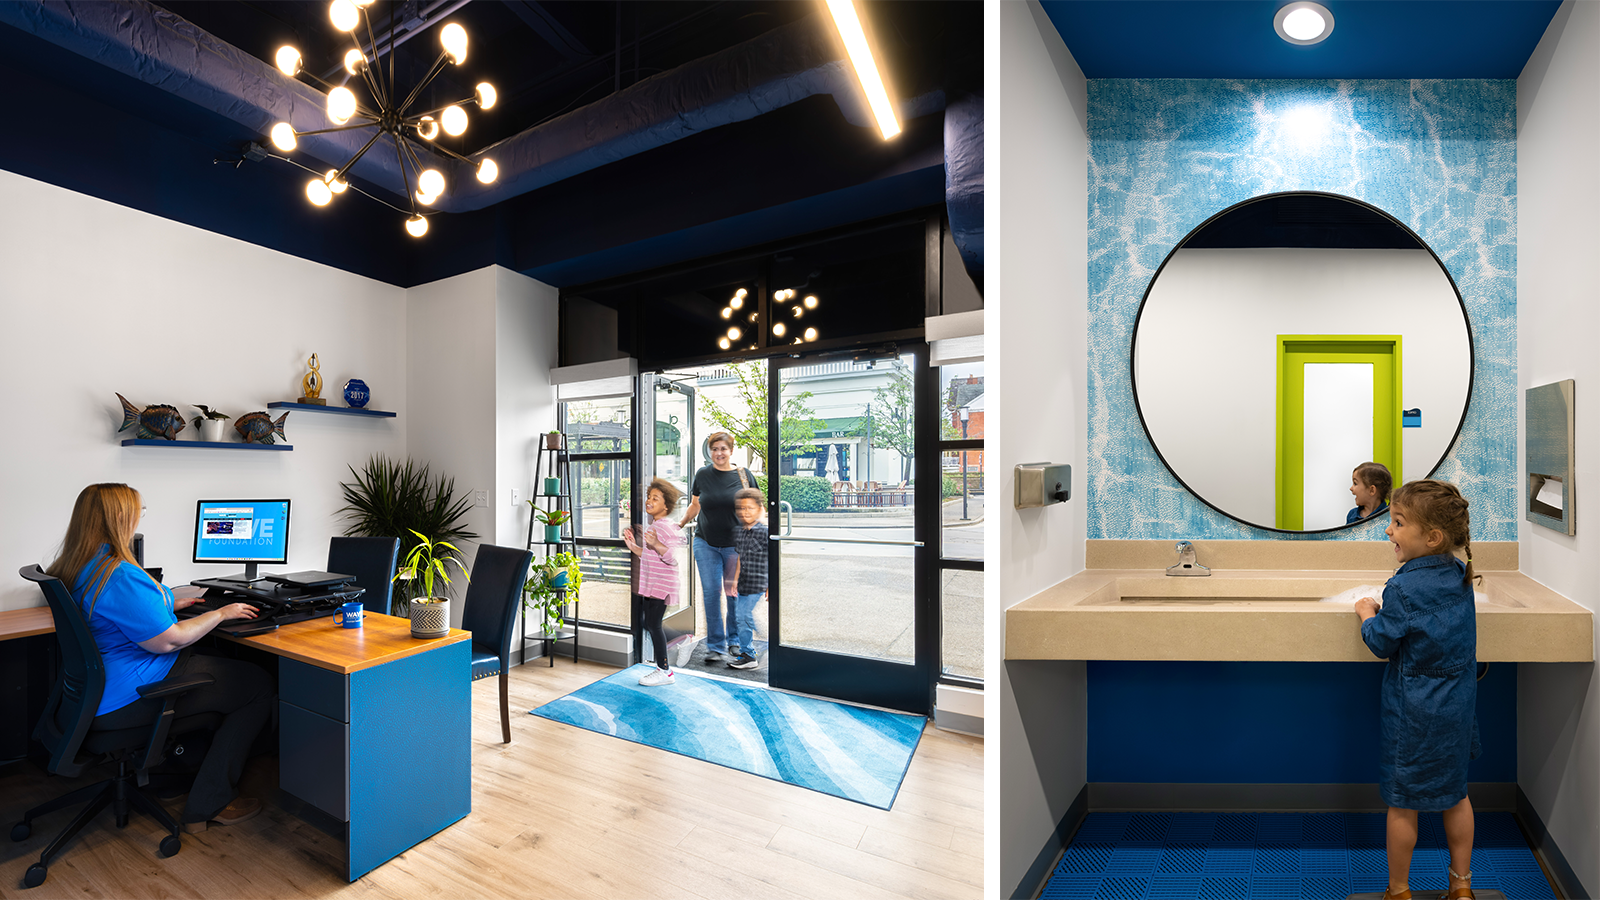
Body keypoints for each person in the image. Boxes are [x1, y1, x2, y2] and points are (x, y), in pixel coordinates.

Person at [44, 483, 275, 833]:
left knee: (217, 662)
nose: (140, 517)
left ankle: (173, 775)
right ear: (121, 517)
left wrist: (169, 603)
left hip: (94, 692)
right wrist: (221, 613)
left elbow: (124, 609)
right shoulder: (119, 574)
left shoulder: (78, 565)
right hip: (133, 693)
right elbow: (169, 641)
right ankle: (210, 803)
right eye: (139, 511)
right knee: (258, 683)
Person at [1353, 480, 1480, 900]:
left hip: (1414, 714)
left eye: (1397, 522)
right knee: (1456, 796)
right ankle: (1461, 887)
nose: (1388, 530)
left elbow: (1380, 644)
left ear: (1432, 537)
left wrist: (1368, 613)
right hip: (1458, 707)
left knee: (1403, 801)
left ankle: (1399, 890)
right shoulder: (1462, 577)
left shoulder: (1402, 588)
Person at [679, 432, 754, 664]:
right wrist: (680, 523)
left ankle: (734, 641)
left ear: (731, 450)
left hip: (735, 546)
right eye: (714, 449)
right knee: (711, 594)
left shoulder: (744, 475)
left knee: (733, 595)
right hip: (705, 542)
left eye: (723, 448)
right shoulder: (702, 474)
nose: (719, 453)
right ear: (709, 451)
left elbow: (756, 507)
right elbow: (695, 504)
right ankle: (715, 645)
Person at [622, 478, 685, 686]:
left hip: (662, 585)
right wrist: (633, 546)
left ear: (666, 505)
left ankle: (665, 671)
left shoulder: (666, 527)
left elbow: (674, 558)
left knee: (653, 624)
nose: (649, 501)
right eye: (649, 497)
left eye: (655, 498)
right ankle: (664, 666)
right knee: (650, 624)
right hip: (653, 585)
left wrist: (656, 543)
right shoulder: (656, 525)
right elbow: (650, 556)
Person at [725, 487, 768, 670]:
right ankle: (749, 653)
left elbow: (772, 560)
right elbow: (740, 559)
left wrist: (771, 585)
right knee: (739, 617)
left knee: (743, 616)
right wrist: (734, 580)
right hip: (744, 583)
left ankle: (753, 651)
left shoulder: (764, 532)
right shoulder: (740, 532)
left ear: (759, 509)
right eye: (742, 508)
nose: (745, 512)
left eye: (750, 508)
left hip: (759, 582)